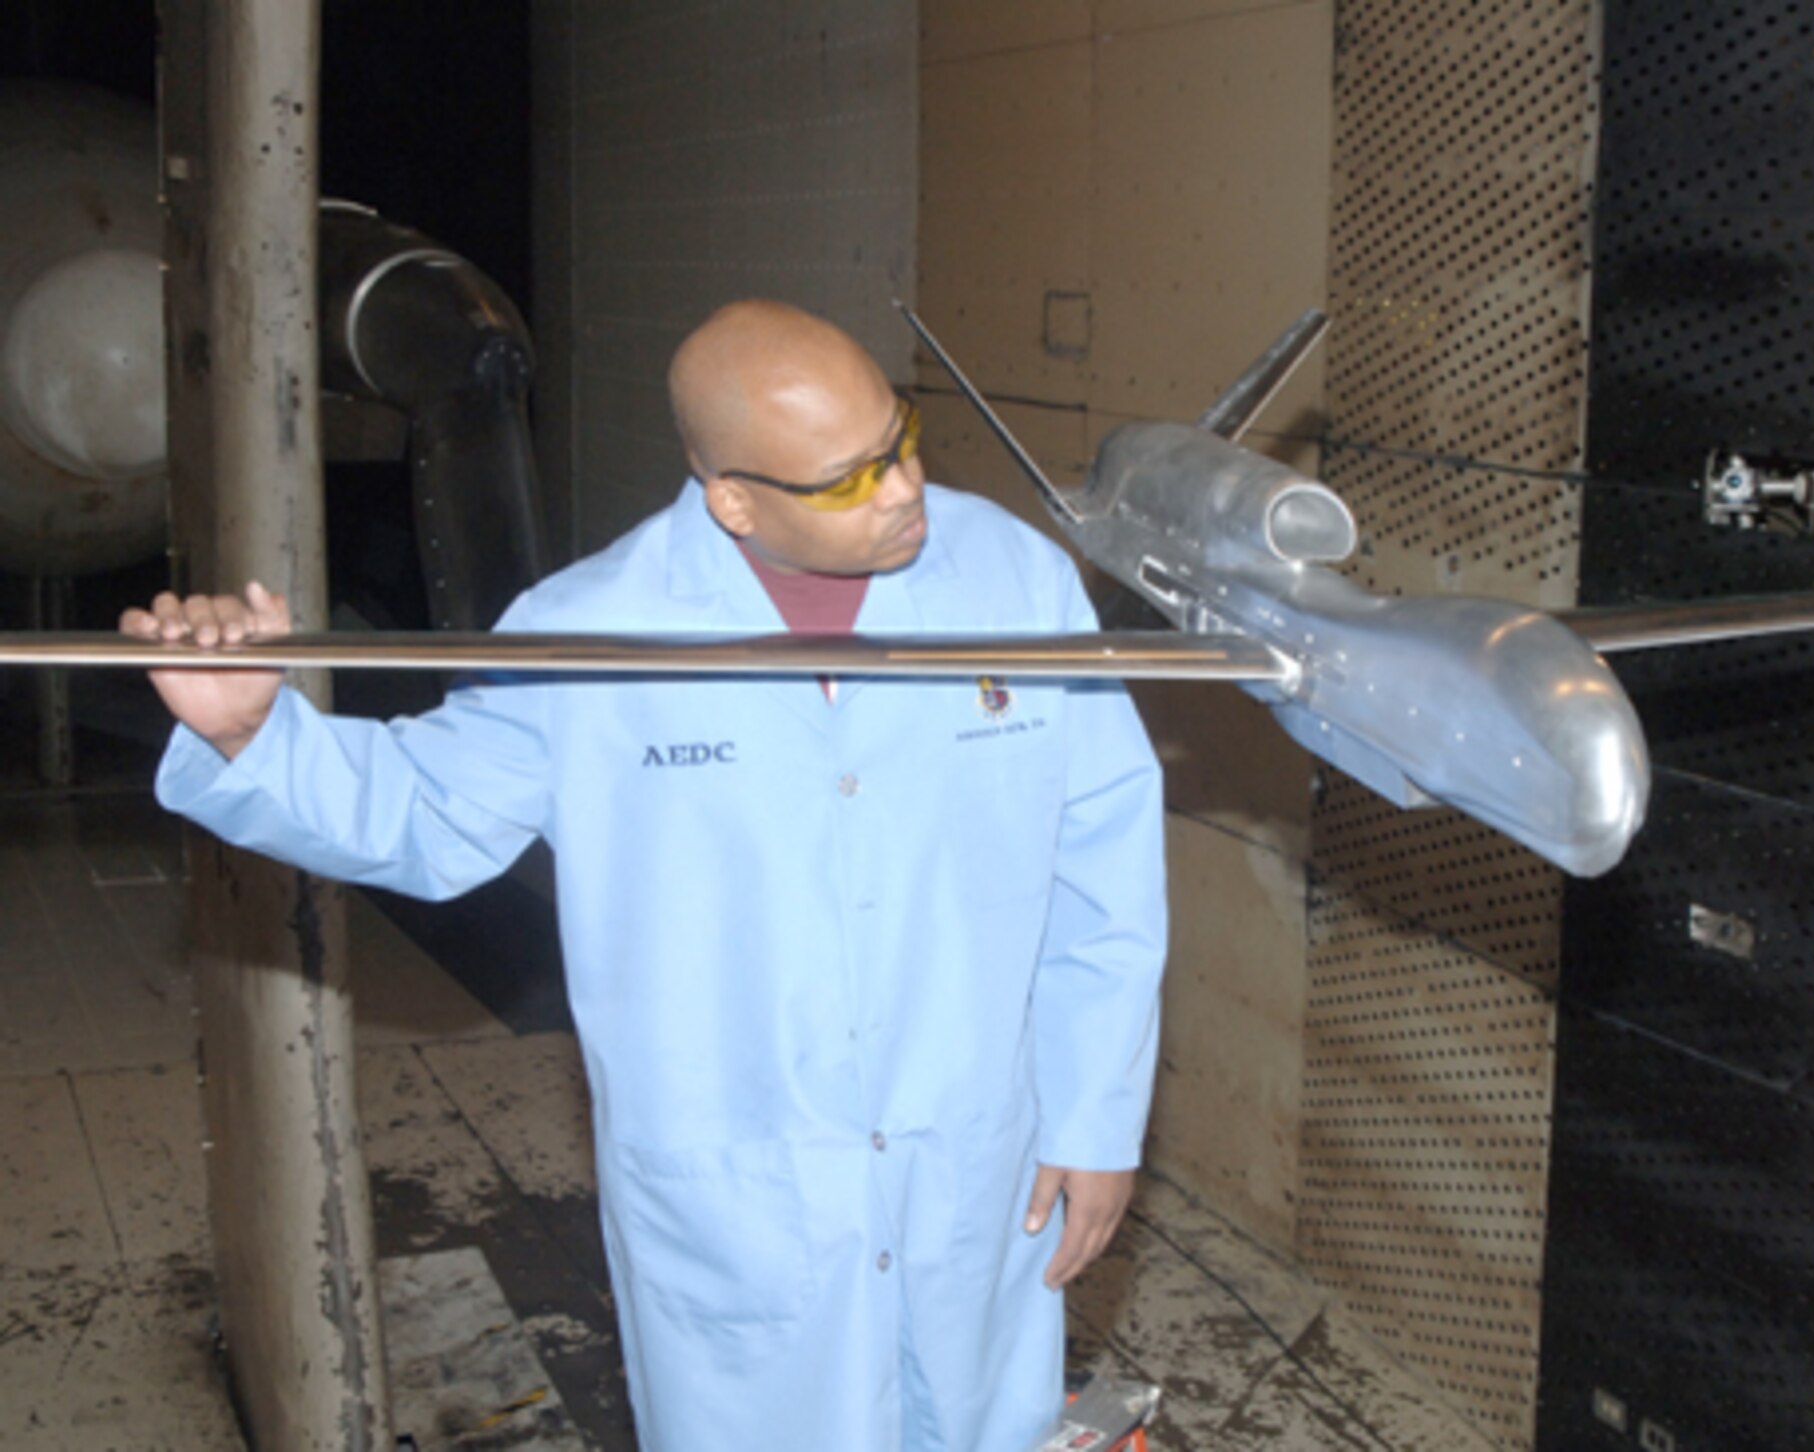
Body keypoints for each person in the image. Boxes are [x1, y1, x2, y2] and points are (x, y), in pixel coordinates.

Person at [124, 300, 1167, 1452]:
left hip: (977, 1158)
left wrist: (1096, 1114)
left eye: (899, 441)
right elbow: (427, 815)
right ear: (732, 499)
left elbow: (1104, 861)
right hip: (738, 1189)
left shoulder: (1014, 584)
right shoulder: (592, 632)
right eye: (843, 481)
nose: (900, 490)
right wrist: (249, 737)